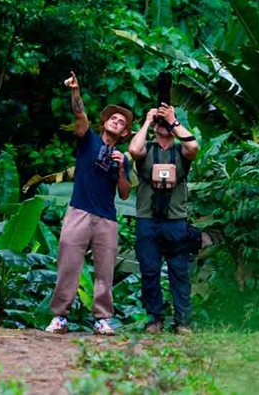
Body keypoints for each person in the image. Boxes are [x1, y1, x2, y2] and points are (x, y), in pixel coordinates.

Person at [44, 71, 133, 336]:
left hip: (106, 218)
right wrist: (75, 91)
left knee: (105, 270)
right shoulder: (88, 140)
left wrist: (121, 168)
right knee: (69, 264)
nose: (116, 121)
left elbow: (125, 194)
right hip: (79, 211)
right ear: (105, 122)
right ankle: (60, 317)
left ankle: (102, 320)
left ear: (125, 132)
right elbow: (79, 115)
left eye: (121, 122)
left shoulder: (122, 157)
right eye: (113, 118)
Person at [128, 103, 199, 334]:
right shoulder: (147, 148)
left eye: (165, 120)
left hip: (176, 220)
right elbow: (134, 150)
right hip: (147, 218)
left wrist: (173, 120)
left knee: (179, 271)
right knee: (149, 271)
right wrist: (148, 121)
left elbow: (193, 146)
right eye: (161, 120)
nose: (163, 124)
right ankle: (154, 320)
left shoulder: (181, 150)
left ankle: (183, 322)